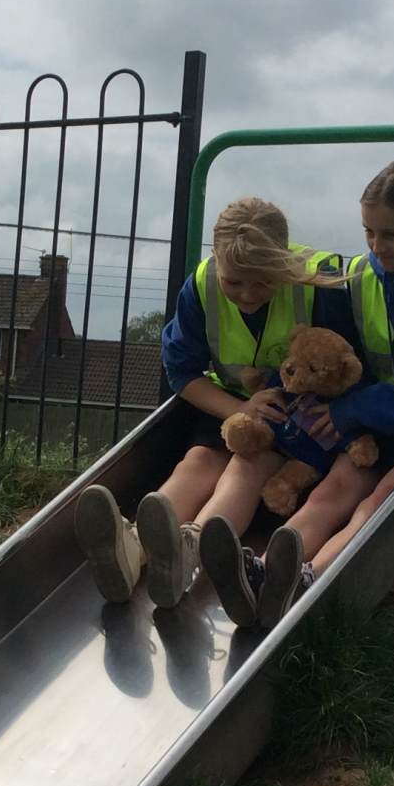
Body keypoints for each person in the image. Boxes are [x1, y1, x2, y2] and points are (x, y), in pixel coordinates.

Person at [200, 157, 394, 629]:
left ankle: (312, 579)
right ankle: (265, 573)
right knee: (336, 487)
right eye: (368, 232)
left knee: (380, 497)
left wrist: (359, 408)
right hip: (379, 423)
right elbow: (341, 360)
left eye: (391, 234)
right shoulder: (362, 276)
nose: (377, 246)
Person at [73, 196, 347, 611]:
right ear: (216, 259)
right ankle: (132, 549)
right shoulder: (202, 285)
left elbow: (341, 368)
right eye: (234, 282)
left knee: (244, 467)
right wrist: (238, 409)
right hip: (234, 404)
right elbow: (182, 371)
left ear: (281, 261)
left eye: (262, 282)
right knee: (198, 460)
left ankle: (189, 549)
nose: (247, 294)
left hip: (296, 417)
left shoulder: (317, 285)